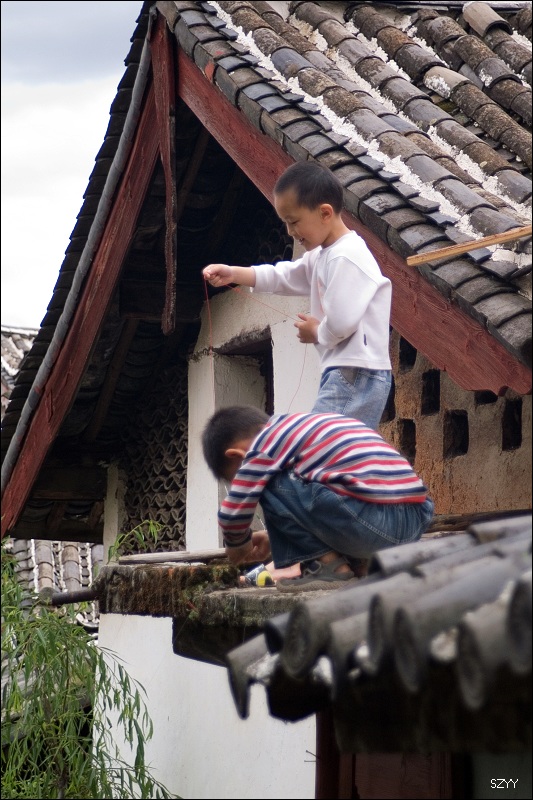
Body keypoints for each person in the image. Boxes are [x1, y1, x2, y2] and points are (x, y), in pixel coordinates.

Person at [202, 160, 393, 430]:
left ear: (325, 212)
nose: (290, 232)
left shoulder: (346, 256)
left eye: (294, 222)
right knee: (334, 450)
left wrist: (317, 332)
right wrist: (235, 274)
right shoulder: (323, 255)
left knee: (320, 447)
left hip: (356, 371)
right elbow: (285, 276)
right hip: (348, 371)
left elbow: (341, 322)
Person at [201, 405, 434, 593]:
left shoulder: (263, 446)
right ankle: (359, 565)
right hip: (414, 522)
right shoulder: (308, 427)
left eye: (238, 475)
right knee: (317, 482)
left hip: (371, 526)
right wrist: (275, 538)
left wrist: (238, 547)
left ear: (236, 455)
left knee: (269, 482)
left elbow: (231, 516)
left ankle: (329, 568)